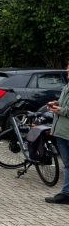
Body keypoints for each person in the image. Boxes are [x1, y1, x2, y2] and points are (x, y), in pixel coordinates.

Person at [46, 62, 69, 205]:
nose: (67, 71)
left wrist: (57, 110)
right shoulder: (67, 86)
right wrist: (55, 103)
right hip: (61, 131)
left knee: (68, 164)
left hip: (66, 132)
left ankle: (66, 195)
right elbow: (63, 103)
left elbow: (67, 110)